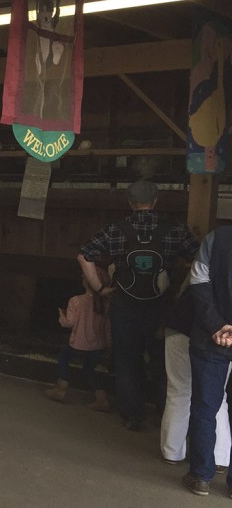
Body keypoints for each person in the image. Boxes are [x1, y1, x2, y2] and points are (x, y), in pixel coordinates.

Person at [78, 180, 198, 431]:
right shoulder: (174, 230)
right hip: (162, 306)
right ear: (156, 201)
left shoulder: (116, 230)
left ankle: (133, 416)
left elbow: (84, 255)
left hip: (125, 304)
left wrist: (100, 289)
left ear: (130, 203)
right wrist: (182, 292)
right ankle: (167, 416)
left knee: (127, 360)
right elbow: (200, 260)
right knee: (163, 361)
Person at [181, 226, 232, 496]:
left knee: (204, 406)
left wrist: (217, 326)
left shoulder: (218, 238)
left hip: (211, 338)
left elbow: (198, 282)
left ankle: (201, 476)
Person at [160, 284, 231, 468]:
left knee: (179, 391)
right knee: (218, 397)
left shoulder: (204, 270)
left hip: (182, 326)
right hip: (224, 335)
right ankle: (220, 456)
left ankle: (172, 451)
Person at [45, 269, 111, 409]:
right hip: (98, 347)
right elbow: (108, 328)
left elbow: (69, 323)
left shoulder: (76, 301)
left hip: (78, 344)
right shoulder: (107, 304)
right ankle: (102, 398)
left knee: (63, 357)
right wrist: (109, 345)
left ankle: (61, 388)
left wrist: (61, 315)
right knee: (88, 370)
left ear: (87, 281)